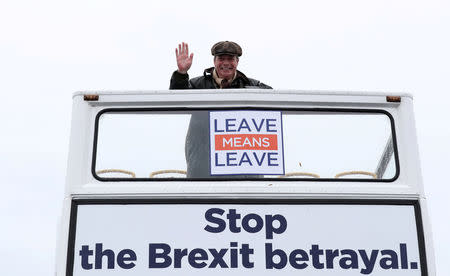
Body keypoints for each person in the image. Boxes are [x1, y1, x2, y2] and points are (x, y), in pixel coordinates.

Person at [169, 41, 272, 178]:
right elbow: (177, 99)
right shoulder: (197, 85)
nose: (226, 63)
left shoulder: (252, 86)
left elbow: (272, 101)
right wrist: (181, 73)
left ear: (237, 62)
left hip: (242, 167)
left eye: (230, 59)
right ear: (214, 61)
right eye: (221, 59)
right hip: (203, 166)